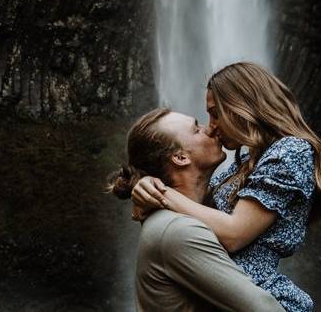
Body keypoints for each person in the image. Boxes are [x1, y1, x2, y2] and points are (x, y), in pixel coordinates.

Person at [133, 62, 321, 312]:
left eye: (215, 113)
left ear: (241, 106)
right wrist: (144, 187)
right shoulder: (246, 163)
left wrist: (162, 194)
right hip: (229, 290)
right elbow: (197, 201)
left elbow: (234, 234)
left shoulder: (290, 151)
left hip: (259, 293)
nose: (211, 126)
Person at [107, 107, 283, 312]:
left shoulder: (198, 212)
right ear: (180, 157)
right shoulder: (178, 230)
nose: (210, 129)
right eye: (196, 128)